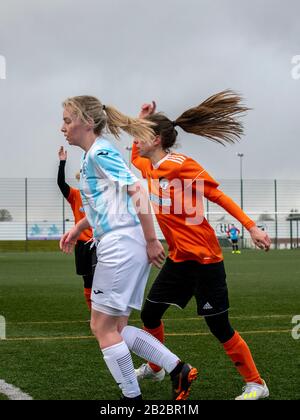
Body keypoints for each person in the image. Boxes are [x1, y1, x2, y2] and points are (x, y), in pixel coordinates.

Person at [131, 92, 272, 401]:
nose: (135, 140)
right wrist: (141, 119)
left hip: (205, 260)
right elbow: (134, 158)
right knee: (150, 314)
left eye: (140, 135)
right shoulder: (147, 167)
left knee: (219, 326)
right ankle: (156, 366)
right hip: (179, 259)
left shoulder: (183, 165)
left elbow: (217, 197)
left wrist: (251, 227)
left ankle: (257, 384)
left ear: (155, 140)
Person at [59, 95, 198, 400]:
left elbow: (137, 191)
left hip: (121, 245)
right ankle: (177, 369)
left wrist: (151, 240)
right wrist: (78, 228)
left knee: (101, 327)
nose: (63, 127)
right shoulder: (93, 155)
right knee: (116, 328)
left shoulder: (99, 152)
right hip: (125, 243)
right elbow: (107, 205)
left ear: (87, 122)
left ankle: (131, 398)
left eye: (68, 120)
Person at [57, 146, 96, 310]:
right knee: (87, 280)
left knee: (100, 280)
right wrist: (62, 162)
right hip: (81, 245)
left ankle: (107, 314)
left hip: (99, 243)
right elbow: (60, 183)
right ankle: (93, 313)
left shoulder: (99, 195)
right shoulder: (75, 195)